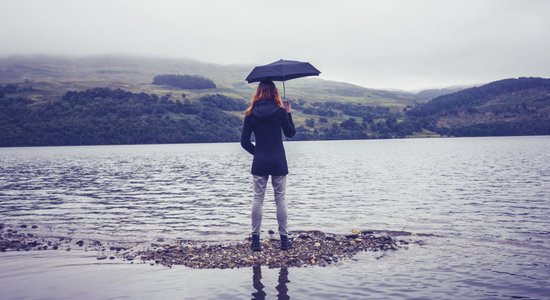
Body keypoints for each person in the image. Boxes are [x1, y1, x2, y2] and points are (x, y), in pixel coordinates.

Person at [241, 80, 296, 251]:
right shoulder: (280, 111)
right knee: (280, 200)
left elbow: (244, 142)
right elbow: (290, 133)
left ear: (258, 92)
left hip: (260, 162)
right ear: (274, 92)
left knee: (258, 199)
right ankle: (284, 241)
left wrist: (257, 153)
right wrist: (288, 113)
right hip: (278, 160)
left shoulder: (250, 113)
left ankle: (255, 241)